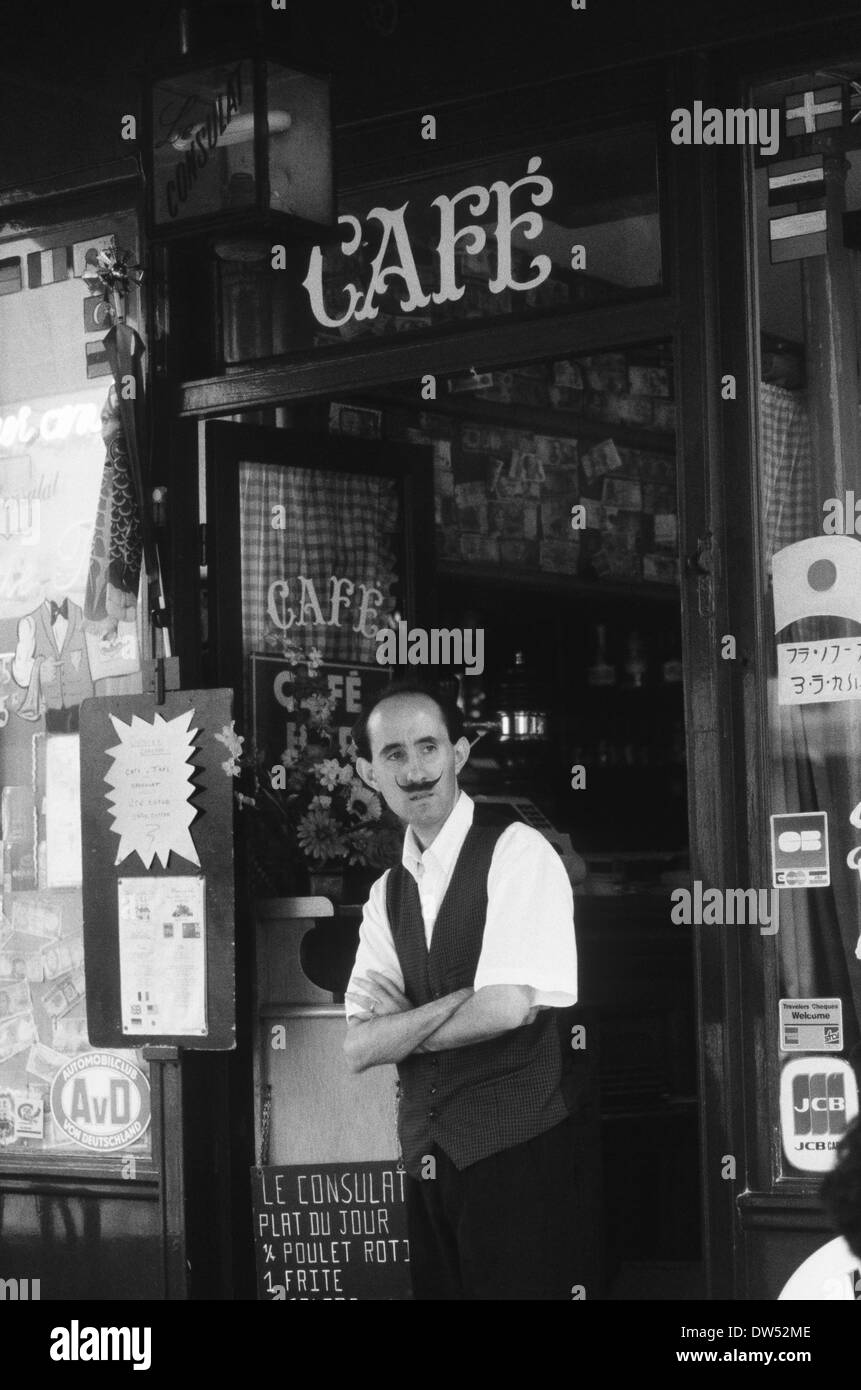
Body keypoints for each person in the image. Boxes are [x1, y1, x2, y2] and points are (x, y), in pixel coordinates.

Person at [343, 678, 592, 1300]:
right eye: (393, 754)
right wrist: (459, 1001)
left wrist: (404, 1029)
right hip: (426, 1155)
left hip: (515, 1150)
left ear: (459, 754)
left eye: (429, 748)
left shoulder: (517, 853)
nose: (415, 770)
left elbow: (507, 1006)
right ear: (368, 772)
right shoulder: (386, 894)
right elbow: (356, 1048)